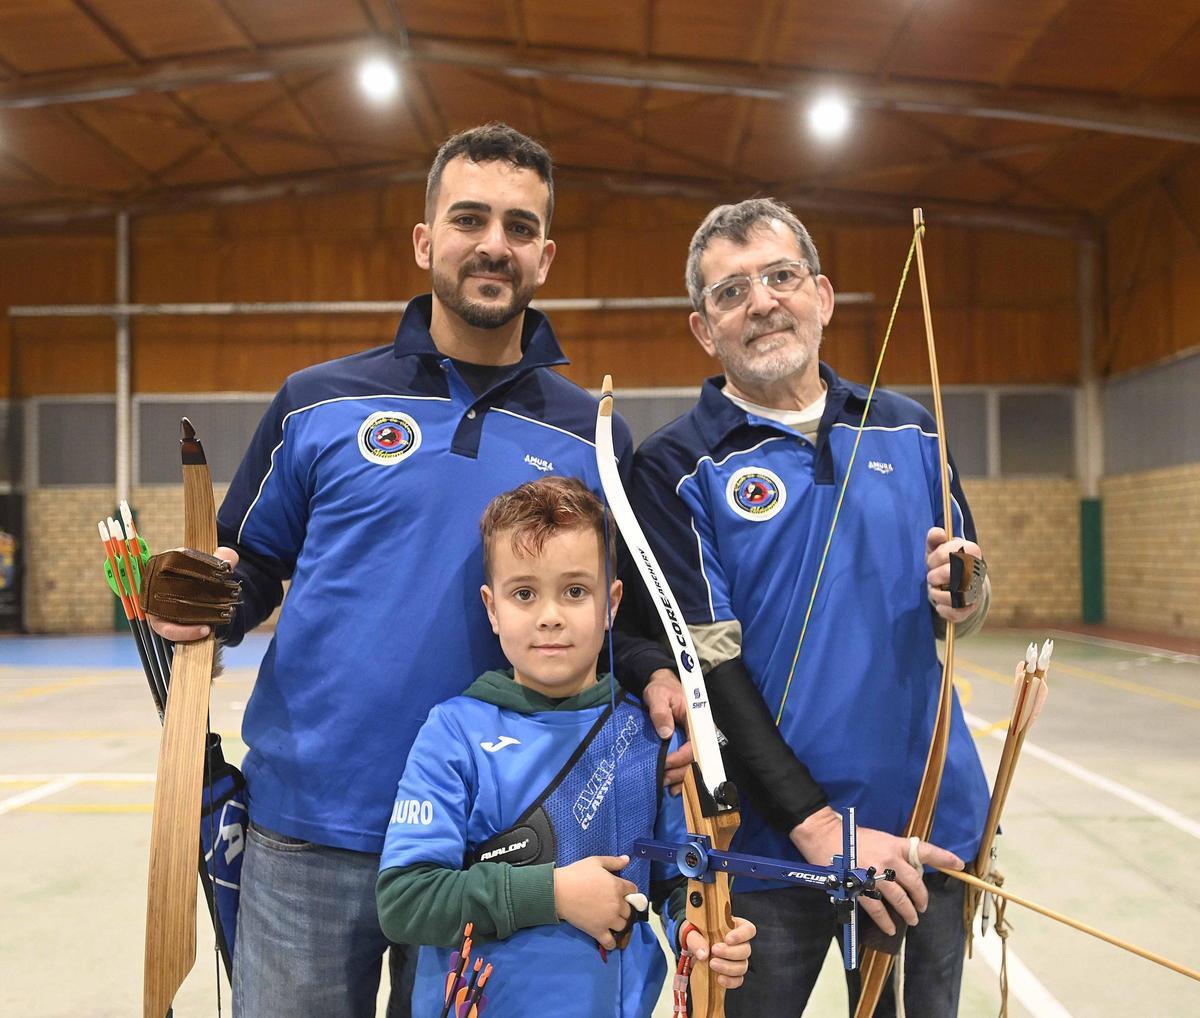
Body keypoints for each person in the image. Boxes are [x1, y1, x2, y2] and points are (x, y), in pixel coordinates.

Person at [145, 123, 675, 1018]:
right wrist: (208, 599)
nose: (492, 245)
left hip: (500, 842)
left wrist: (658, 673)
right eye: (469, 219)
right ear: (427, 242)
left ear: (544, 256)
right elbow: (254, 564)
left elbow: (617, 615)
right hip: (311, 826)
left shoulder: (594, 434)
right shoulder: (318, 400)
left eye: (517, 226)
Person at [630, 198, 993, 1017]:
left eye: (781, 277)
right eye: (731, 292)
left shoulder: (910, 428)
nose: (761, 302)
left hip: (924, 830)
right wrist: (817, 824)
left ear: (822, 297)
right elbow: (706, 666)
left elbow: (961, 601)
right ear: (703, 330)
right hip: (765, 850)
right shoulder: (675, 467)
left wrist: (966, 590)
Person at [377, 476, 755, 1016]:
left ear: (612, 603)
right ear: (491, 608)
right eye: (524, 593)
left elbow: (677, 877)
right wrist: (552, 894)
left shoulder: (649, 733)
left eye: (575, 591)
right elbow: (405, 901)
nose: (550, 615)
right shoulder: (453, 732)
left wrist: (700, 934)